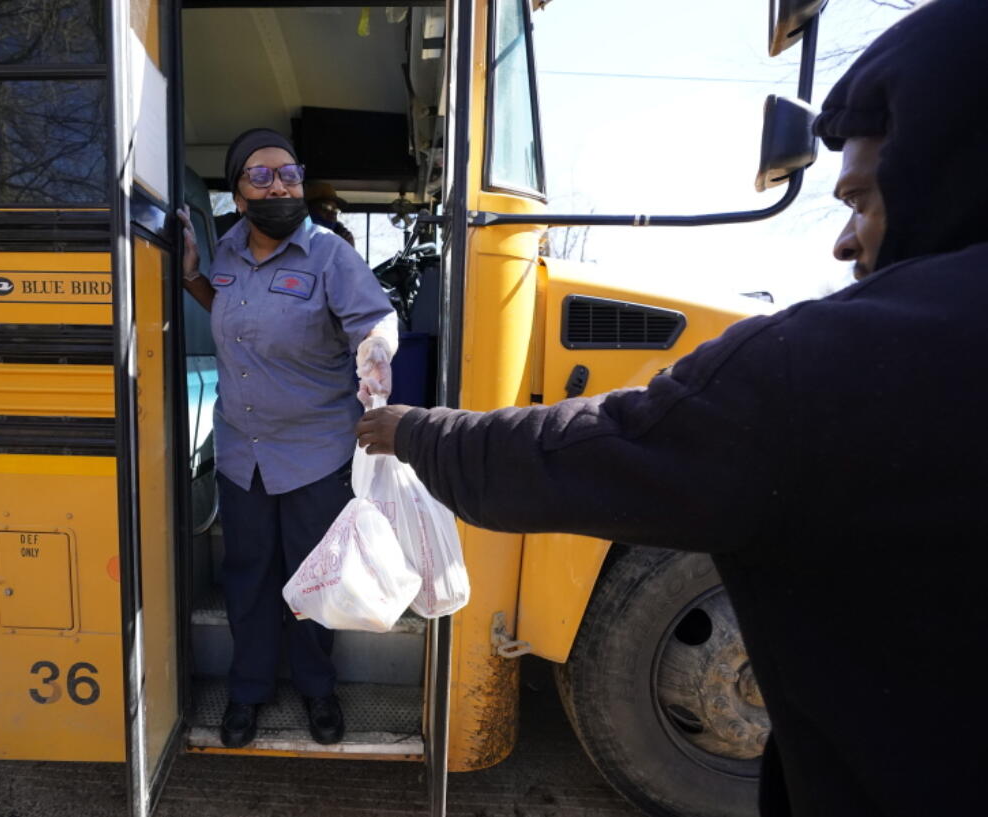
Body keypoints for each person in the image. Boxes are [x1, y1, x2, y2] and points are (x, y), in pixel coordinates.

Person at [356, 1, 987, 814]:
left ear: (939, 168)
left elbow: (585, 451)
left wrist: (414, 428)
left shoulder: (825, 368)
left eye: (862, 200)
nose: (841, 240)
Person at [176, 128, 397, 749]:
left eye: (290, 174)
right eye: (261, 176)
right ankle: (248, 690)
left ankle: (316, 687)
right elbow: (220, 306)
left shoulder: (329, 255)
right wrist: (193, 276)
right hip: (243, 452)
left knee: (311, 578)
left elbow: (374, 319)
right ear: (239, 196)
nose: (280, 186)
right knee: (247, 576)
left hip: (314, 453)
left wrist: (376, 351)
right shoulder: (225, 250)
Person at [304, 181, 356, 247]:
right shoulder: (295, 237)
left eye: (335, 210)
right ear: (308, 210)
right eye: (326, 208)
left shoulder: (343, 238)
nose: (332, 214)